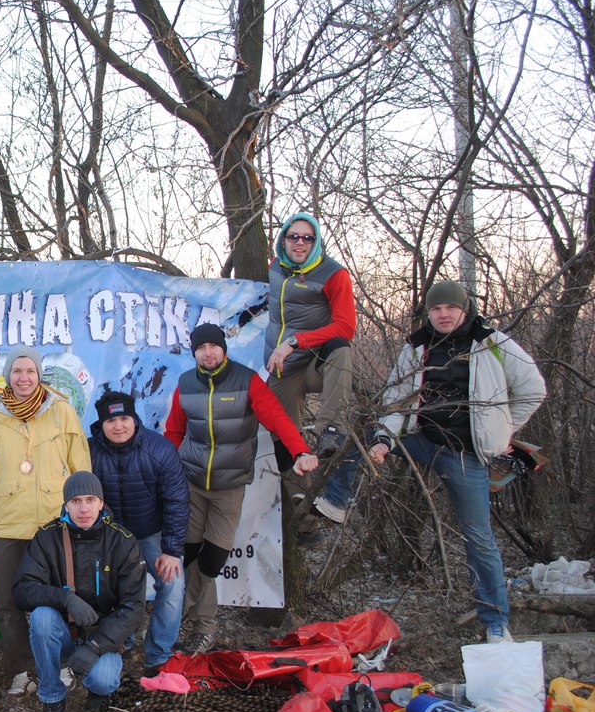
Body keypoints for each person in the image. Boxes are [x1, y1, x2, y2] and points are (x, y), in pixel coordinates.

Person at [318, 281, 546, 642]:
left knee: (478, 537)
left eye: (450, 309)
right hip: (421, 438)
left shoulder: (492, 342)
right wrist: (383, 440)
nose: (442, 314)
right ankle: (335, 501)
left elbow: (533, 388)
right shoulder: (417, 346)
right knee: (361, 437)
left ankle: (496, 622)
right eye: (436, 309)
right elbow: (396, 399)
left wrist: (501, 431)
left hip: (464, 453)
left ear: (463, 309)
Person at [164, 324, 318, 654]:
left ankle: (174, 616)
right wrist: (170, 472)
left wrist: (300, 451)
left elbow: (277, 418)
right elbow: (174, 432)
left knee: (212, 559)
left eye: (213, 346)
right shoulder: (185, 384)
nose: (208, 352)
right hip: (190, 484)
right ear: (194, 352)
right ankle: (202, 628)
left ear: (224, 349)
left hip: (229, 487)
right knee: (187, 555)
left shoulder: (247, 381)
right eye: (201, 347)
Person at [0, 346, 90, 696]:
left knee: (58, 598)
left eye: (29, 371)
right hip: (10, 526)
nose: (23, 378)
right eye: (17, 372)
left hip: (54, 526)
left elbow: (81, 472)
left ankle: (60, 663)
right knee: (6, 601)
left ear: (39, 374)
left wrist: (82, 521)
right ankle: (19, 669)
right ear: (8, 376)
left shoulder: (62, 412)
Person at [13, 472, 146, 712]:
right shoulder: (47, 537)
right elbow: (22, 589)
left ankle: (96, 690)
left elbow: (133, 607)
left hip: (104, 637)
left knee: (104, 681)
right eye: (75, 501)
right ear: (65, 505)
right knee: (41, 616)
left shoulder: (123, 541)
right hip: (64, 631)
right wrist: (65, 599)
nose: (83, 508)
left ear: (101, 503)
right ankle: (52, 697)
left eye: (90, 500)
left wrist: (96, 646)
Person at [87, 391, 190, 675]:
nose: (118, 426)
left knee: (173, 584)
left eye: (124, 419)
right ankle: (121, 640)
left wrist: (171, 551)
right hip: (111, 539)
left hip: (151, 534)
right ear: (101, 425)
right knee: (108, 587)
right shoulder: (89, 452)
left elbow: (176, 501)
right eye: (111, 421)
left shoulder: (159, 449)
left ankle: (158, 655)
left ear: (134, 419)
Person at [264, 212, 357, 468]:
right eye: (293, 236)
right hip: (284, 370)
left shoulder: (334, 274)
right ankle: (299, 498)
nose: (300, 242)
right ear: (283, 240)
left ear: (316, 241)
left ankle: (331, 430)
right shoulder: (276, 266)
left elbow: (346, 327)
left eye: (308, 237)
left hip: (316, 362)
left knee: (341, 348)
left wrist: (294, 342)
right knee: (285, 443)